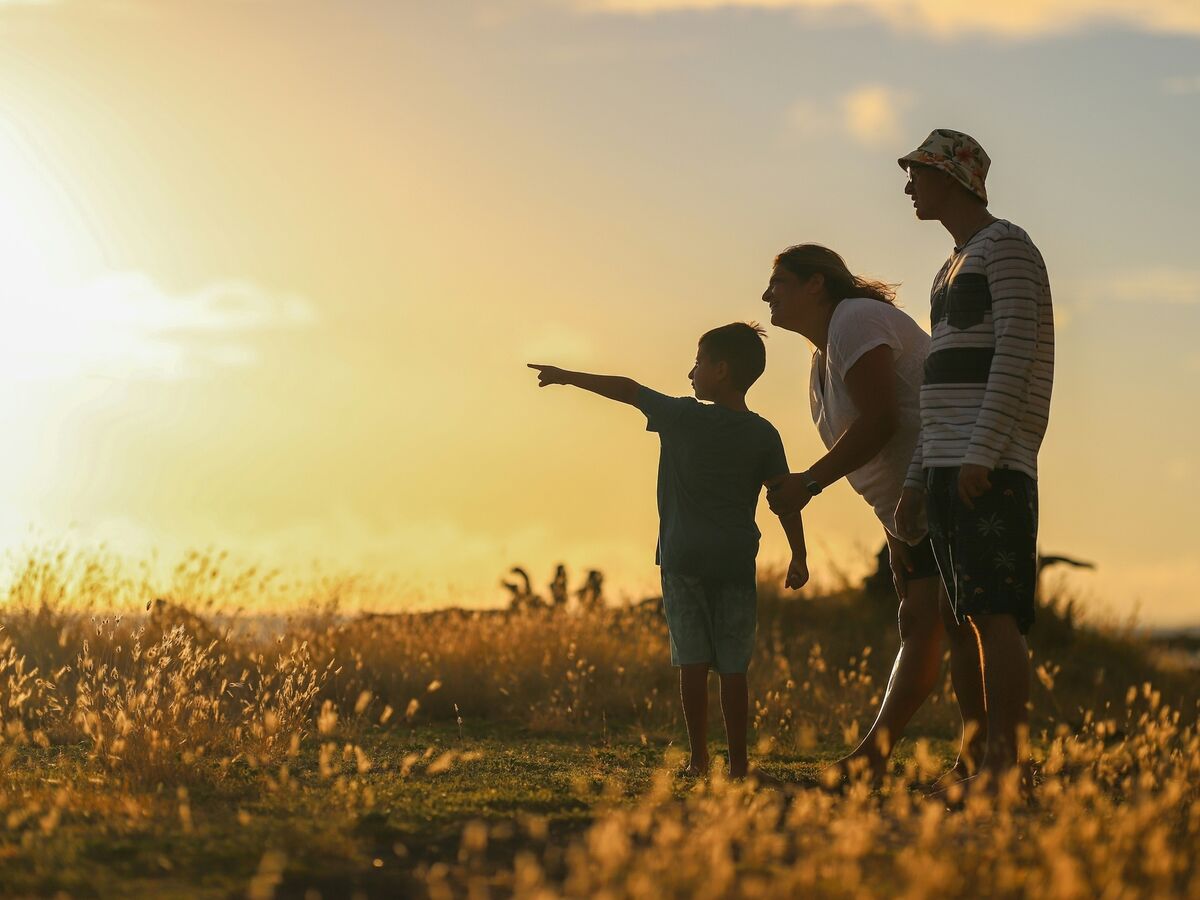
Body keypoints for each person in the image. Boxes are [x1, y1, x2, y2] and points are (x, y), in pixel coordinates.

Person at [528, 323, 808, 780]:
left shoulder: (682, 416)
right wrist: (799, 555)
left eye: (698, 362)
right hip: (736, 561)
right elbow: (783, 497)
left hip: (682, 559)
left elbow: (628, 390)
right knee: (734, 667)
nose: (691, 372)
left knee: (692, 661)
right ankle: (739, 765)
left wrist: (568, 376)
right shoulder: (764, 433)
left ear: (720, 370)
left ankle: (699, 761)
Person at [763, 244, 986, 784]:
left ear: (816, 284)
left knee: (962, 624)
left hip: (948, 481)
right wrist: (894, 529)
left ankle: (985, 761)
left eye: (780, 283)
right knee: (921, 624)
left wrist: (810, 482)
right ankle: (882, 758)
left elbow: (883, 419)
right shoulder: (824, 355)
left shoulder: (855, 321)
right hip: (910, 506)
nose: (768, 295)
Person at [894, 129, 1054, 787]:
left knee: (994, 613)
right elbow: (940, 383)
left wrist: (983, 452)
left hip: (988, 466)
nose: (909, 185)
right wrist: (915, 478)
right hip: (944, 467)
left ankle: (1005, 767)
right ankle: (975, 755)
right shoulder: (949, 266)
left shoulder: (1008, 247)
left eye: (919, 173)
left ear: (955, 180)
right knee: (959, 621)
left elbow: (1018, 356)